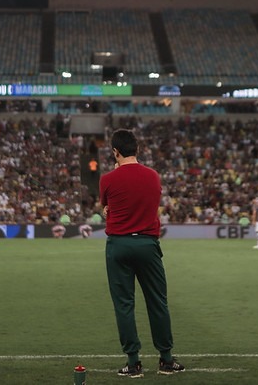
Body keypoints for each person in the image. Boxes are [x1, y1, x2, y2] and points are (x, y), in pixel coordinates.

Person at [99, 129, 185, 378]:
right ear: (137, 150)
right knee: (158, 302)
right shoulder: (153, 176)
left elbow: (106, 205)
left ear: (115, 151)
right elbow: (147, 204)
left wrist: (110, 210)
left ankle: (134, 362)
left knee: (124, 305)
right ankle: (166, 360)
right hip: (147, 245)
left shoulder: (108, 179)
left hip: (118, 245)